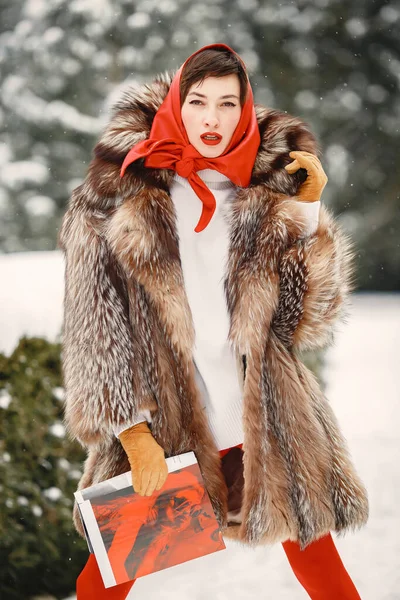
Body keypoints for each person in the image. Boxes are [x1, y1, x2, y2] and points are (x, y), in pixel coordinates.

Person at [58, 43, 369, 599]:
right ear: (178, 103)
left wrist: (307, 209)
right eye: (199, 101)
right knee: (107, 578)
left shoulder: (264, 190)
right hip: (165, 419)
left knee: (318, 563)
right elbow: (95, 331)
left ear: (245, 110)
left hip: (265, 414)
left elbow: (308, 318)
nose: (212, 118)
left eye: (228, 103)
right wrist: (133, 434)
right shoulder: (113, 197)